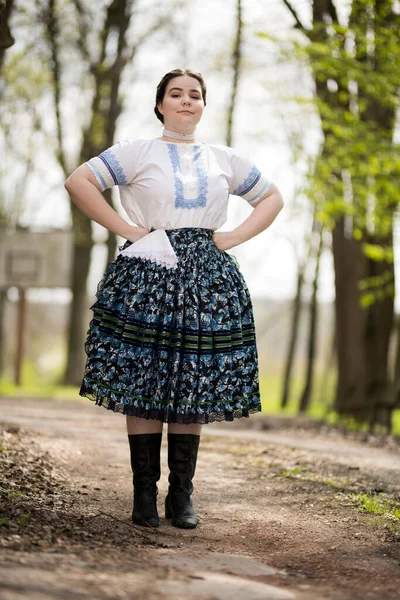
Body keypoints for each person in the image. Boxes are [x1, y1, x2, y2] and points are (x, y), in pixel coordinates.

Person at [64, 67, 284, 531]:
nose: (187, 101)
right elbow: (78, 182)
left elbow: (272, 199)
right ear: (160, 103)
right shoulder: (136, 152)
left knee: (193, 381)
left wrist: (229, 238)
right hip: (147, 269)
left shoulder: (224, 158)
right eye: (177, 94)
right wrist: (128, 230)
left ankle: (181, 496)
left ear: (204, 105)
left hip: (208, 277)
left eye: (195, 95)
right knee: (144, 382)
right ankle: (144, 494)